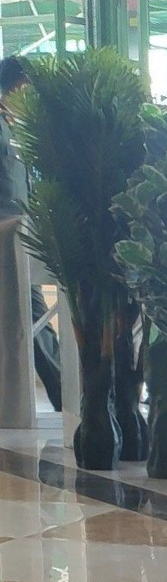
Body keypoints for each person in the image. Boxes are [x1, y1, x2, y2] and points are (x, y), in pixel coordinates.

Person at [0, 55, 56, 422]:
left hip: (19, 233)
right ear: (18, 86)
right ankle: (71, 394)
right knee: (31, 314)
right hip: (4, 231)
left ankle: (70, 393)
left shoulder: (14, 124)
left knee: (30, 315)